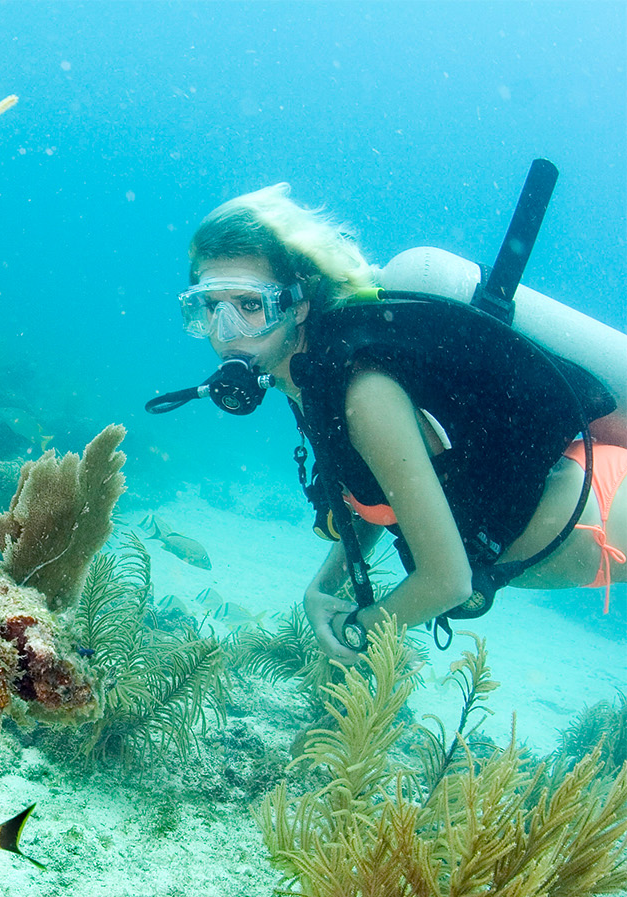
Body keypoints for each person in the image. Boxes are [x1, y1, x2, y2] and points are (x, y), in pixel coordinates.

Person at [178, 182, 626, 665]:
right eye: (209, 307)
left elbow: (448, 582)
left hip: (598, 510)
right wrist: (323, 585)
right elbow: (382, 487)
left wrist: (354, 632)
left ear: (298, 303)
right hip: (570, 512)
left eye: (249, 305)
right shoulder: (308, 376)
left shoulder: (362, 393)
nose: (227, 334)